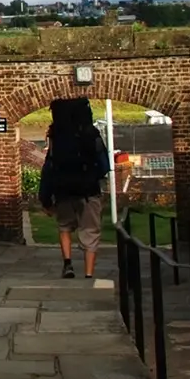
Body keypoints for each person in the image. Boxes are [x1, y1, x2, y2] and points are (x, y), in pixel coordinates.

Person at [37, 97, 110, 279]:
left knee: (64, 226)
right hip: (89, 190)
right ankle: (88, 273)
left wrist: (45, 197)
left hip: (63, 190)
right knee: (90, 232)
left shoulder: (56, 134)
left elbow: (49, 166)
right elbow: (103, 164)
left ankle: (68, 263)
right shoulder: (91, 133)